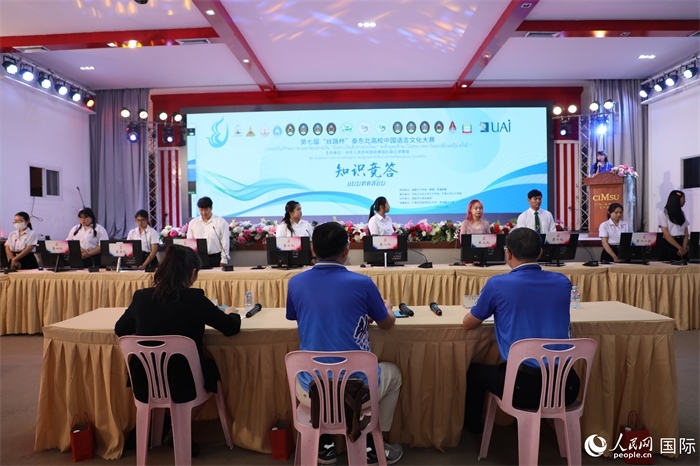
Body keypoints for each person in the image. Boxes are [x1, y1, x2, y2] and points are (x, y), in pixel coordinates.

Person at [286, 222, 403, 465]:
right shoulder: (363, 283)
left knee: (313, 373)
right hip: (358, 390)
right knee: (394, 374)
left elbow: (299, 316)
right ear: (346, 250)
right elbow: (387, 324)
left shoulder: (295, 283)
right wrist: (388, 308)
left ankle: (324, 443)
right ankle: (373, 443)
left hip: (311, 391)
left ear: (312, 249)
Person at [115, 245, 241, 455]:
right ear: (192, 273)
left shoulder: (141, 297)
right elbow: (230, 328)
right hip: (186, 383)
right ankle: (177, 428)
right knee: (211, 372)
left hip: (145, 381)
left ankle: (167, 426)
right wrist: (232, 312)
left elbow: (121, 330)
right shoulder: (195, 299)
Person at [462, 228, 580, 434]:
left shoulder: (497, 284)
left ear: (508, 253)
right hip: (566, 386)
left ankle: (473, 431)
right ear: (540, 253)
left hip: (522, 389)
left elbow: (468, 323)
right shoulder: (563, 282)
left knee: (473, 372)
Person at [187, 196, 230, 268]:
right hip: (198, 258)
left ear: (211, 208)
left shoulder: (221, 222)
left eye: (206, 210)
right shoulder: (193, 223)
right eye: (201, 210)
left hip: (215, 257)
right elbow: (190, 242)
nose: (203, 213)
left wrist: (224, 259)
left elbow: (225, 242)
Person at [658, 190, 690, 262]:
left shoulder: (682, 213)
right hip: (670, 244)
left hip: (681, 243)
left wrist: (684, 247)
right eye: (683, 198)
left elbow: (686, 233)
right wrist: (679, 248)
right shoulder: (663, 213)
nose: (684, 201)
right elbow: (666, 234)